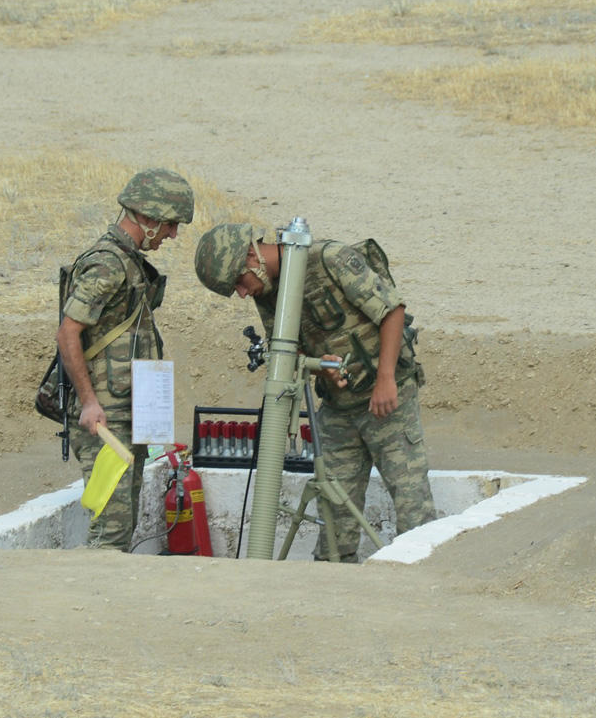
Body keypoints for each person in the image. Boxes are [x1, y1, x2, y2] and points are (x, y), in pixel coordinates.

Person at [193, 223, 435, 561]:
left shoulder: (330, 259)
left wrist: (385, 379)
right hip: (338, 410)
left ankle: (424, 582)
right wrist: (321, 367)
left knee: (413, 507)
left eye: (239, 283)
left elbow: (392, 311)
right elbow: (287, 351)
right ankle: (332, 585)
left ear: (250, 256)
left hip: (386, 401)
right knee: (335, 521)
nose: (243, 293)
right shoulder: (268, 293)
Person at [56, 169, 194, 551]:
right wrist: (89, 402)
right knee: (110, 534)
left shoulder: (128, 262)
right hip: (106, 420)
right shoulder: (108, 263)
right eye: (169, 224)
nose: (172, 234)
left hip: (126, 416)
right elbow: (68, 333)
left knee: (122, 527)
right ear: (147, 218)